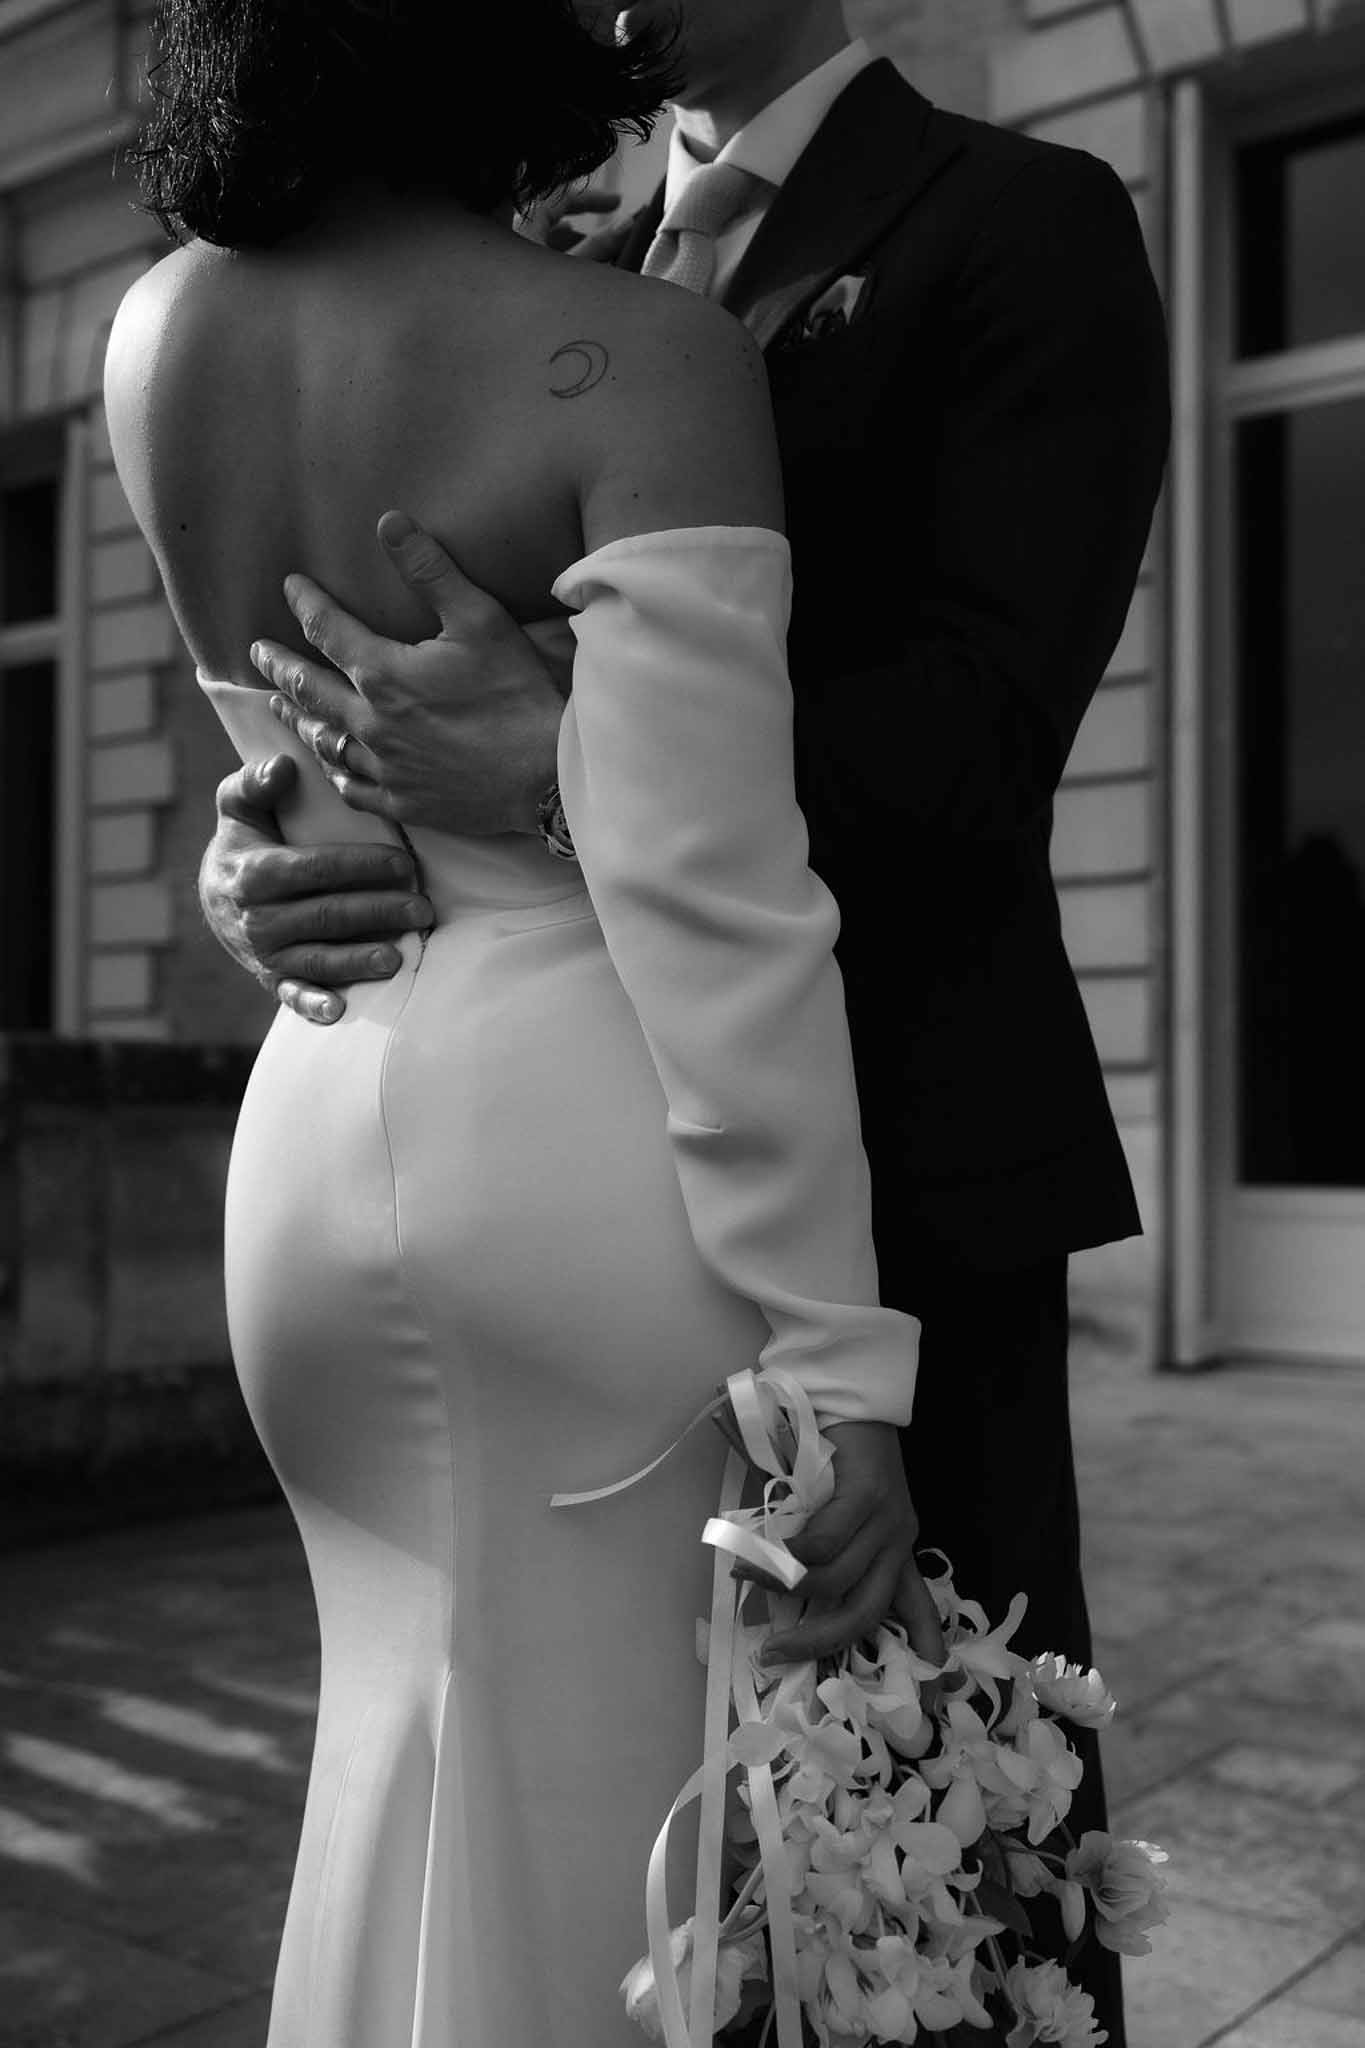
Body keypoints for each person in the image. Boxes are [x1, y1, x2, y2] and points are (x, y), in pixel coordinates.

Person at [198, 5, 1172, 2039]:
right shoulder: (543, 268)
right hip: (575, 1179)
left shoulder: (1022, 218)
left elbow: (984, 739)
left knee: (936, 1891)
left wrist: (565, 776)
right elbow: (353, 684)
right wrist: (262, 848)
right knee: (583, 1843)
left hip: (901, 1163)